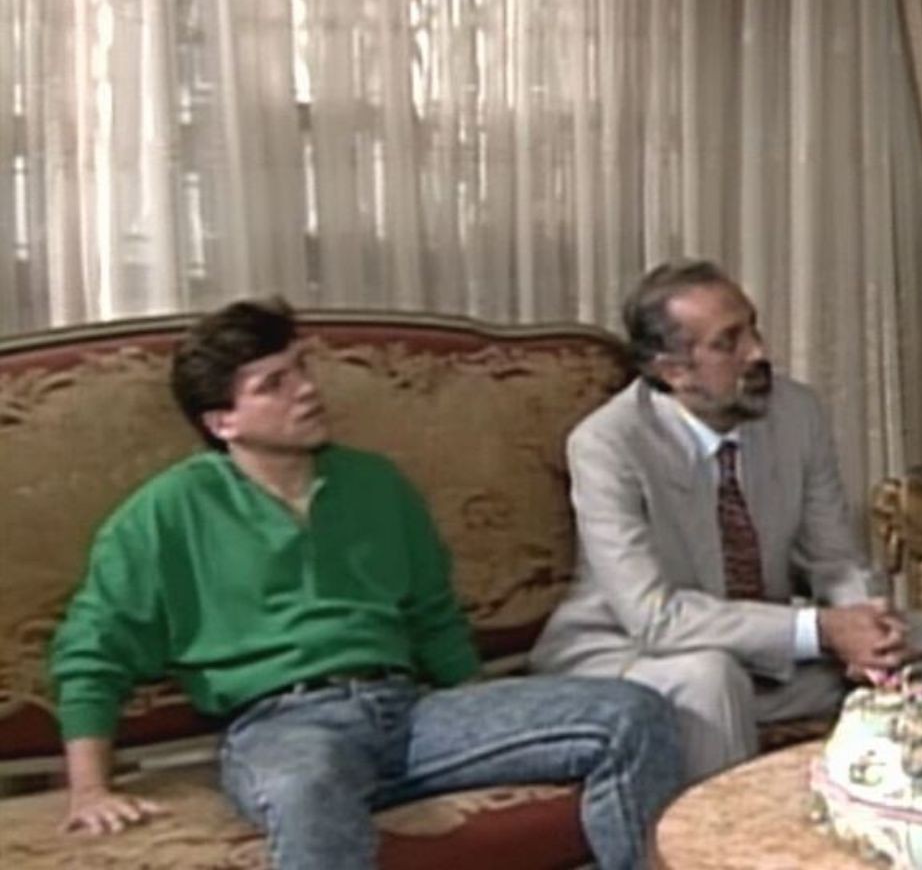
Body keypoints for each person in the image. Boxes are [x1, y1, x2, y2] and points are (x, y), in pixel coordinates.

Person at [49, 298, 678, 870]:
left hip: (409, 711)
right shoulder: (166, 513)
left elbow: (433, 617)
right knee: (307, 787)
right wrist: (89, 788)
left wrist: (487, 714)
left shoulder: (374, 483)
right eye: (274, 384)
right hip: (285, 726)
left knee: (632, 713)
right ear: (223, 423)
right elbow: (92, 650)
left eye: (301, 368)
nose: (306, 390)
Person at [531, 259, 922, 782]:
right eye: (729, 343)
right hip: (628, 653)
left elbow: (834, 558)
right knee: (709, 677)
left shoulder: (797, 413)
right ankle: (717, 835)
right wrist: (821, 630)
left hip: (758, 653)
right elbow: (655, 618)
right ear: (673, 371)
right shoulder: (608, 444)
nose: (758, 353)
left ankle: (912, 819)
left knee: (918, 639)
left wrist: (867, 626)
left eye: (754, 329)